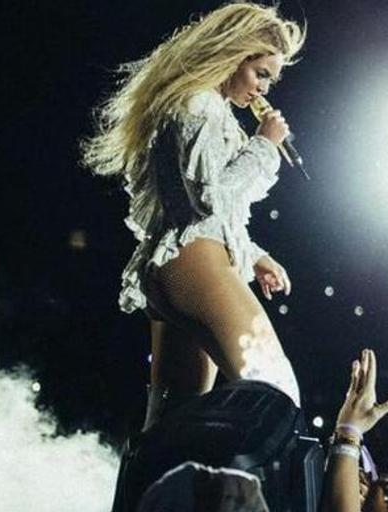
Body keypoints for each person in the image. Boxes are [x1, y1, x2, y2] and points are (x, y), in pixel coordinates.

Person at [82, 2, 306, 427]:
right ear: (232, 53)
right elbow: (208, 199)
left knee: (172, 424)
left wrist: (254, 254)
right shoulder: (198, 105)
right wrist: (263, 145)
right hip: (196, 264)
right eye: (261, 74)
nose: (263, 90)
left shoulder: (197, 105)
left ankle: (151, 494)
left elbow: (194, 205)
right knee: (274, 391)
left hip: (175, 267)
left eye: (271, 81)